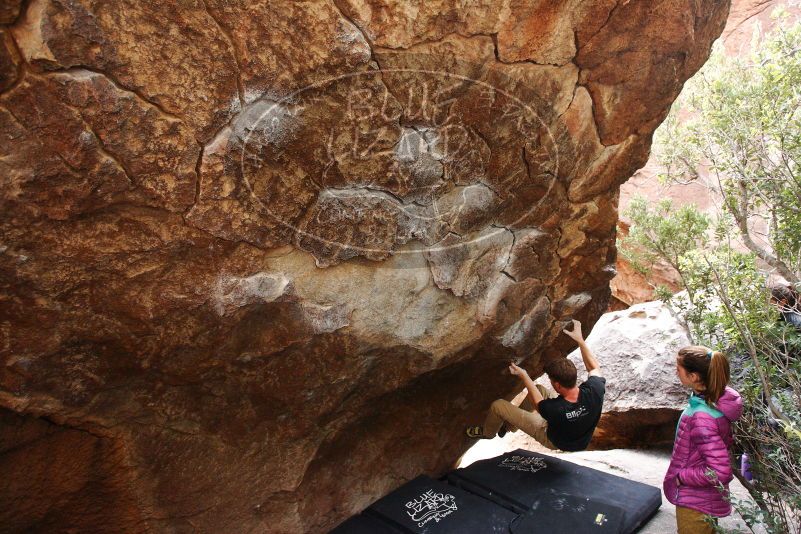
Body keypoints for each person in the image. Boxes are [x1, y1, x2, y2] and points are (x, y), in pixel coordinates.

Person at [465, 319, 606, 452]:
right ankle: (509, 426)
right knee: (539, 390)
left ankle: (488, 433)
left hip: (556, 439)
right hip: (580, 436)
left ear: (557, 385)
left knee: (498, 405)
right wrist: (580, 340)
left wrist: (524, 375)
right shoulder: (595, 390)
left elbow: (538, 403)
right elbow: (594, 367)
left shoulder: (554, 409)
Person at [663, 346, 743, 534]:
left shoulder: (702, 417)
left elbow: (720, 472)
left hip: (695, 501)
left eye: (679, 368)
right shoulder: (711, 400)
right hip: (703, 497)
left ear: (694, 377)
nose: (676, 371)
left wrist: (683, 477)